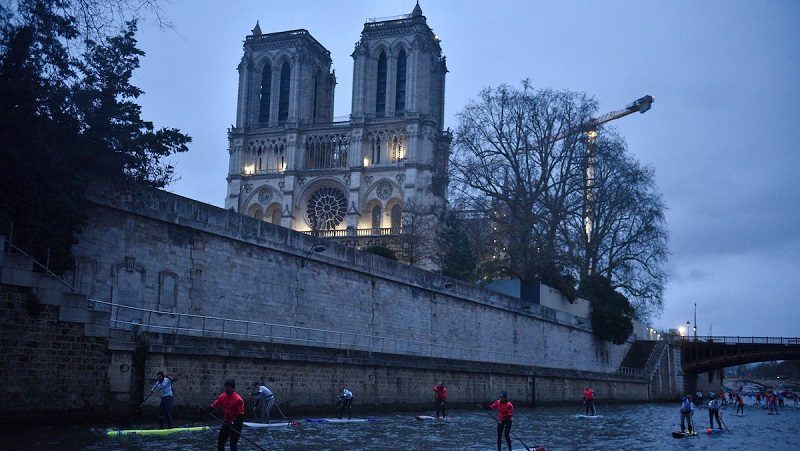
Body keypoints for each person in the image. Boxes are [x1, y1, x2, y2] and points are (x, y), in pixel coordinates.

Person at [207, 379, 245, 451]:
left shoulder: (238, 399)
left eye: (229, 387)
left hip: (236, 424)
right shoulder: (223, 396)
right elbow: (214, 405)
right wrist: (206, 411)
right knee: (220, 443)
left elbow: (241, 416)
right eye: (226, 387)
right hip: (226, 422)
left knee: (233, 445)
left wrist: (233, 423)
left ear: (232, 388)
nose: (227, 389)